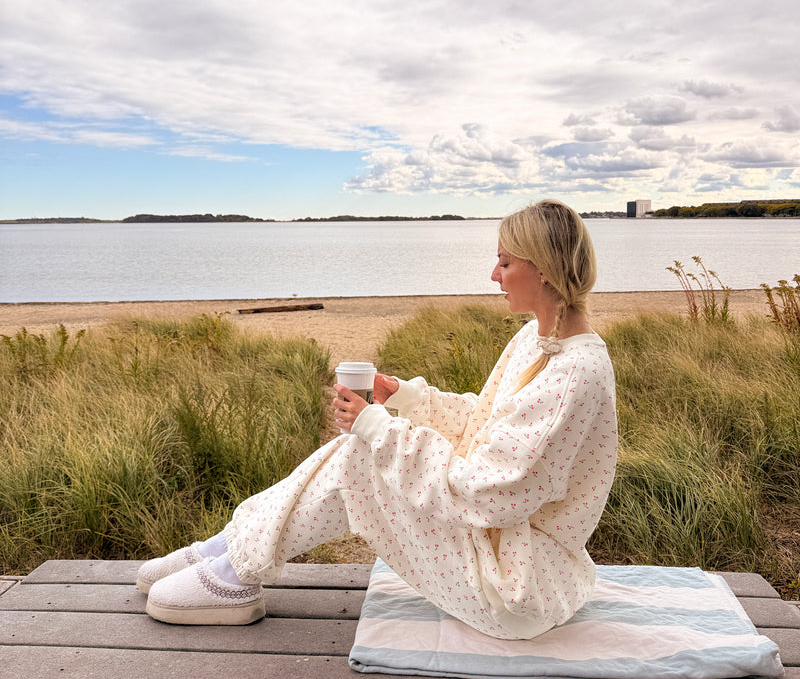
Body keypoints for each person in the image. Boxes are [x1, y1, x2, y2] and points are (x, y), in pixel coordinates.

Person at [138, 199, 618, 639]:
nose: (494, 274)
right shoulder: (539, 340)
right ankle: (232, 548)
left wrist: (377, 426)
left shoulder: (575, 373)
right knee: (360, 447)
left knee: (360, 459)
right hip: (505, 553)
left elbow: (487, 492)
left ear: (546, 270)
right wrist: (406, 398)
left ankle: (235, 569)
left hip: (515, 588)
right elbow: (488, 423)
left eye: (506, 262)